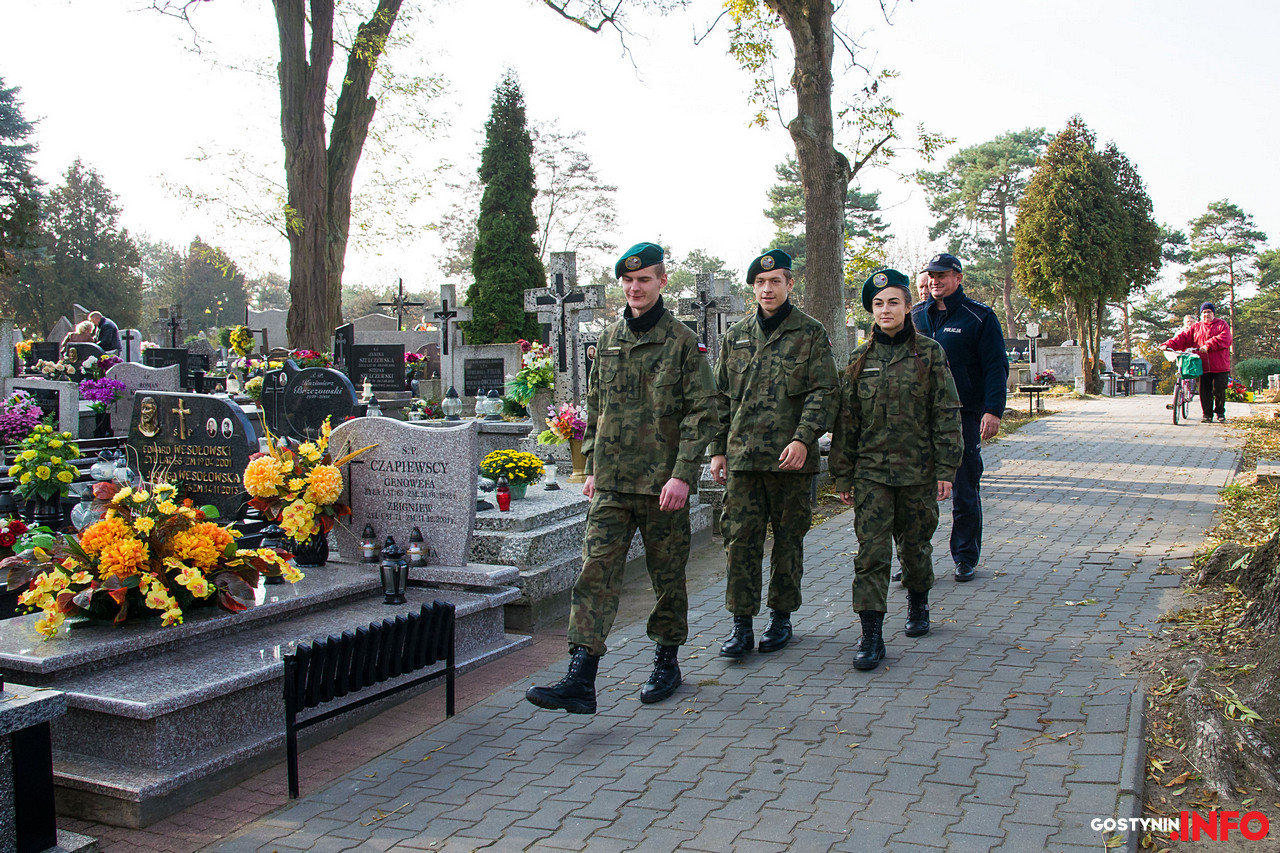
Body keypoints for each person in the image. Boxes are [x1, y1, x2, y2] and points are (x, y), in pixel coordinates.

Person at [525, 242, 716, 714]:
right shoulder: (609, 340)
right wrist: (589, 465)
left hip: (662, 486)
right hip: (611, 484)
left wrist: (683, 475)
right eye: (628, 281)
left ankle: (666, 661)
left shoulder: (683, 342)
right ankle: (581, 676)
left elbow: (702, 413)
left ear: (661, 282)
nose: (635, 288)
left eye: (644, 279)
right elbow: (596, 408)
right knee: (595, 573)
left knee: (666, 578)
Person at [830, 269, 963, 671]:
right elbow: (846, 421)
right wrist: (842, 474)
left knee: (915, 547)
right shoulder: (858, 360)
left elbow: (946, 413)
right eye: (877, 304)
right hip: (871, 474)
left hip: (918, 472)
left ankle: (918, 603)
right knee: (871, 554)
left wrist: (946, 468)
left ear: (908, 307)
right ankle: (871, 634)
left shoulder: (930, 353)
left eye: (893, 302)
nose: (885, 310)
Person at [708, 249, 838, 659]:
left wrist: (804, 438)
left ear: (789, 285)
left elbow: (826, 391)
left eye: (775, 281)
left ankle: (781, 618)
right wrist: (717, 450)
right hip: (744, 460)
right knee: (740, 542)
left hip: (791, 461)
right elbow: (722, 397)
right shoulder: (737, 335)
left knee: (788, 542)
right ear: (754, 288)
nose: (767, 289)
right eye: (761, 283)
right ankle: (741, 626)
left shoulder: (811, 333)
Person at [910, 253, 1007, 583]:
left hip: (963, 415)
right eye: (931, 275)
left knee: (964, 488)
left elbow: (996, 367)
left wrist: (993, 410)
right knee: (914, 493)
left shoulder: (979, 317)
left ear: (958, 278)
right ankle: (913, 557)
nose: (935, 281)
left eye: (943, 275)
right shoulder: (915, 316)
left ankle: (965, 557)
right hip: (918, 417)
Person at [1162, 302, 1232, 423]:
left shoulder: (1222, 324)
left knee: (1218, 389)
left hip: (1220, 365)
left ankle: (1220, 412)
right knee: (1204, 390)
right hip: (1202, 365)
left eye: (1209, 312)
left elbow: (1225, 338)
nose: (1206, 315)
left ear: (1213, 313)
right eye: (1204, 312)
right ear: (1201, 314)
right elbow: (1183, 338)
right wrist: (1168, 344)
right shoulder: (1197, 327)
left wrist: (1208, 345)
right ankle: (1207, 415)